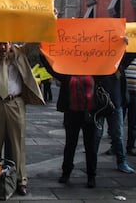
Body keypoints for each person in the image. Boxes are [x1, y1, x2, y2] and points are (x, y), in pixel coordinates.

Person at [0, 42, 44, 196]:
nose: (2, 47)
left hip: (15, 103)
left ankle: (20, 180)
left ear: (10, 42)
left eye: (5, 44)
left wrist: (50, 19)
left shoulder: (20, 52)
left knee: (18, 145)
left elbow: (35, 40)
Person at [42, 54, 98, 187]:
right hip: (72, 113)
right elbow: (51, 68)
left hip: (89, 114)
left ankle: (91, 175)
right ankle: (66, 173)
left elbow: (116, 65)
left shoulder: (97, 71)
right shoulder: (67, 72)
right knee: (70, 145)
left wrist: (124, 47)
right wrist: (42, 52)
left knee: (90, 146)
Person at [94, 53, 136, 174]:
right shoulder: (94, 61)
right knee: (96, 135)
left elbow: (132, 54)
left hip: (115, 102)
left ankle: (121, 161)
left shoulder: (118, 61)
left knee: (117, 134)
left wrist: (135, 39)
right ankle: (92, 163)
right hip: (99, 104)